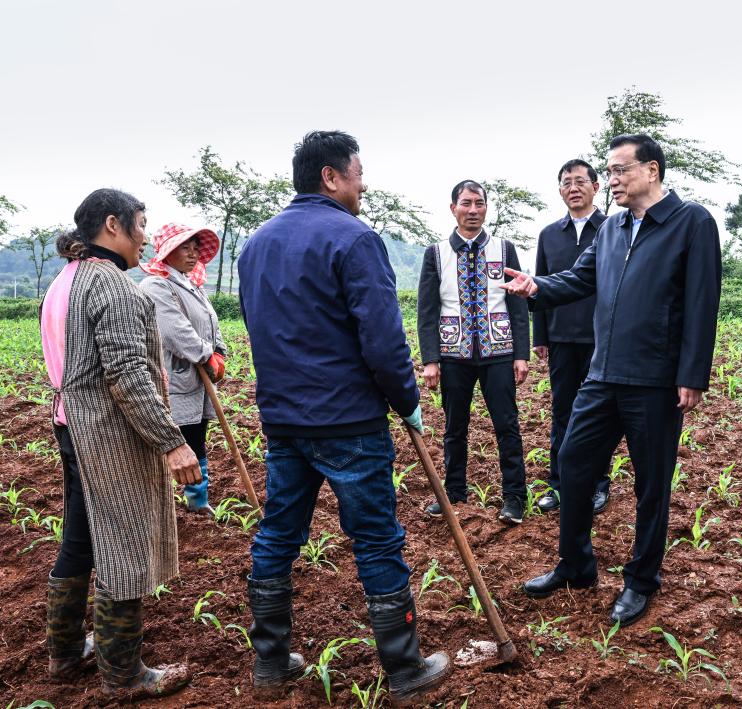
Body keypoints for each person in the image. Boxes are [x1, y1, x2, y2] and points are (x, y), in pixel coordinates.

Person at [238, 130, 450, 702]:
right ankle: (405, 670)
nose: (364, 183)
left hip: (284, 421)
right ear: (331, 177)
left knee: (278, 533)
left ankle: (271, 663)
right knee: (377, 539)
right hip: (349, 421)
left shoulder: (254, 245)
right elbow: (382, 341)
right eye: (358, 172)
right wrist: (406, 399)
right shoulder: (355, 239)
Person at [503, 134, 721, 627]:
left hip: (656, 380)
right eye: (611, 170)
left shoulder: (691, 222)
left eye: (621, 170)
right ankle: (576, 565)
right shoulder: (612, 227)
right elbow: (580, 279)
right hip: (602, 374)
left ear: (652, 171)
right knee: (573, 464)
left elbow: (703, 302)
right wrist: (535, 286)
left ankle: (641, 580)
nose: (614, 180)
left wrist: (692, 375)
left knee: (651, 487)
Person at [39, 188, 200, 697]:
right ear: (113, 225)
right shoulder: (114, 288)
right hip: (108, 437)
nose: (146, 236)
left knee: (81, 539)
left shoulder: (65, 280)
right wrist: (172, 442)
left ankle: (64, 655)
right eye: (141, 223)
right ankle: (123, 676)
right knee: (125, 547)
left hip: (70, 426)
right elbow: (128, 376)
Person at [416, 180, 530, 524]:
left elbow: (517, 305)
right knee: (454, 427)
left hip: (499, 352)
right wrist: (431, 360)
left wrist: (520, 354)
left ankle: (513, 498)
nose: (473, 210)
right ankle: (454, 494)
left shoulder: (504, 248)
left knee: (507, 425)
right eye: (466, 203)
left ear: (486, 207)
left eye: (479, 203)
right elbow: (427, 310)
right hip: (454, 354)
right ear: (453, 208)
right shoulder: (436, 253)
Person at [533, 159, 612, 515]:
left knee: (599, 416)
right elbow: (540, 285)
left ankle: (598, 485)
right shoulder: (549, 234)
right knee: (562, 412)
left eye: (581, 181)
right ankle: (559, 485)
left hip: (602, 339)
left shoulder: (614, 228)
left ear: (597, 186)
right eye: (566, 182)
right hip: (562, 339)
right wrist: (541, 337)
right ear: (560, 190)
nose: (573, 187)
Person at [140, 223, 226, 518]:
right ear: (167, 252)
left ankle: (197, 501)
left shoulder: (192, 285)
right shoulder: (156, 286)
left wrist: (218, 352)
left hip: (198, 378)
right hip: (173, 379)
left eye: (194, 248)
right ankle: (157, 506)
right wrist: (205, 354)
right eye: (184, 248)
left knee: (196, 438)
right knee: (174, 441)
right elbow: (175, 332)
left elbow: (210, 325)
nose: (192, 254)